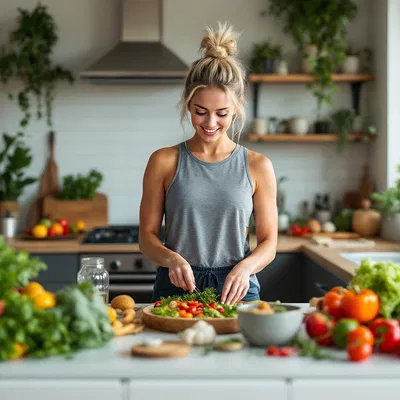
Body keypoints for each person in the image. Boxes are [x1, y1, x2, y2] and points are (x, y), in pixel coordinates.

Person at [139, 22, 278, 305]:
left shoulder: (258, 166)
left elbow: (269, 242)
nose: (211, 123)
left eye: (222, 113)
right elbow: (147, 236)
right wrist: (171, 259)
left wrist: (246, 268)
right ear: (188, 103)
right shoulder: (163, 161)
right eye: (200, 112)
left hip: (237, 286)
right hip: (177, 285)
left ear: (238, 105)